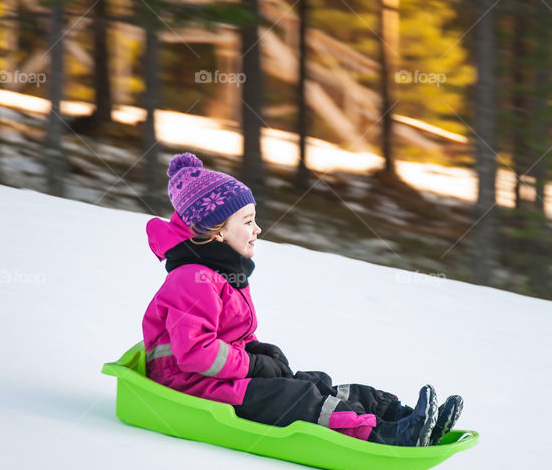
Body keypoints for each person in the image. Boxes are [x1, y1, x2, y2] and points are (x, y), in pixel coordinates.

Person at [141, 153, 463, 447]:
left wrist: (257, 350)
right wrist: (252, 364)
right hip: (191, 385)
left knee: (314, 382)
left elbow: (229, 334)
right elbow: (194, 353)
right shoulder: (193, 280)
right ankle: (386, 435)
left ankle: (401, 415)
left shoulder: (220, 272)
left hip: (216, 377)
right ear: (218, 231)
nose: (258, 229)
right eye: (248, 221)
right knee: (298, 398)